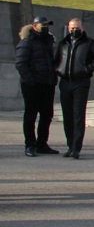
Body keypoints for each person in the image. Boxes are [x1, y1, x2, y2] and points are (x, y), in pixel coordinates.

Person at [54, 18, 94, 158]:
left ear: (82, 28)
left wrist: (86, 69)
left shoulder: (89, 43)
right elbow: (57, 60)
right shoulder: (63, 43)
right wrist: (58, 70)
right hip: (65, 82)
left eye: (77, 27)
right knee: (67, 115)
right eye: (72, 28)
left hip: (81, 83)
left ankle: (76, 148)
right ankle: (70, 146)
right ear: (68, 28)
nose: (74, 30)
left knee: (78, 115)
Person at [15, 16, 58, 156]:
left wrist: (52, 79)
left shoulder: (48, 42)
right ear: (34, 26)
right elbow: (21, 64)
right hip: (32, 85)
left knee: (47, 115)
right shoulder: (27, 42)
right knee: (30, 115)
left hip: (47, 84)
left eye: (47, 25)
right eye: (42, 25)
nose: (45, 27)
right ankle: (30, 144)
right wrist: (31, 81)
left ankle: (42, 144)